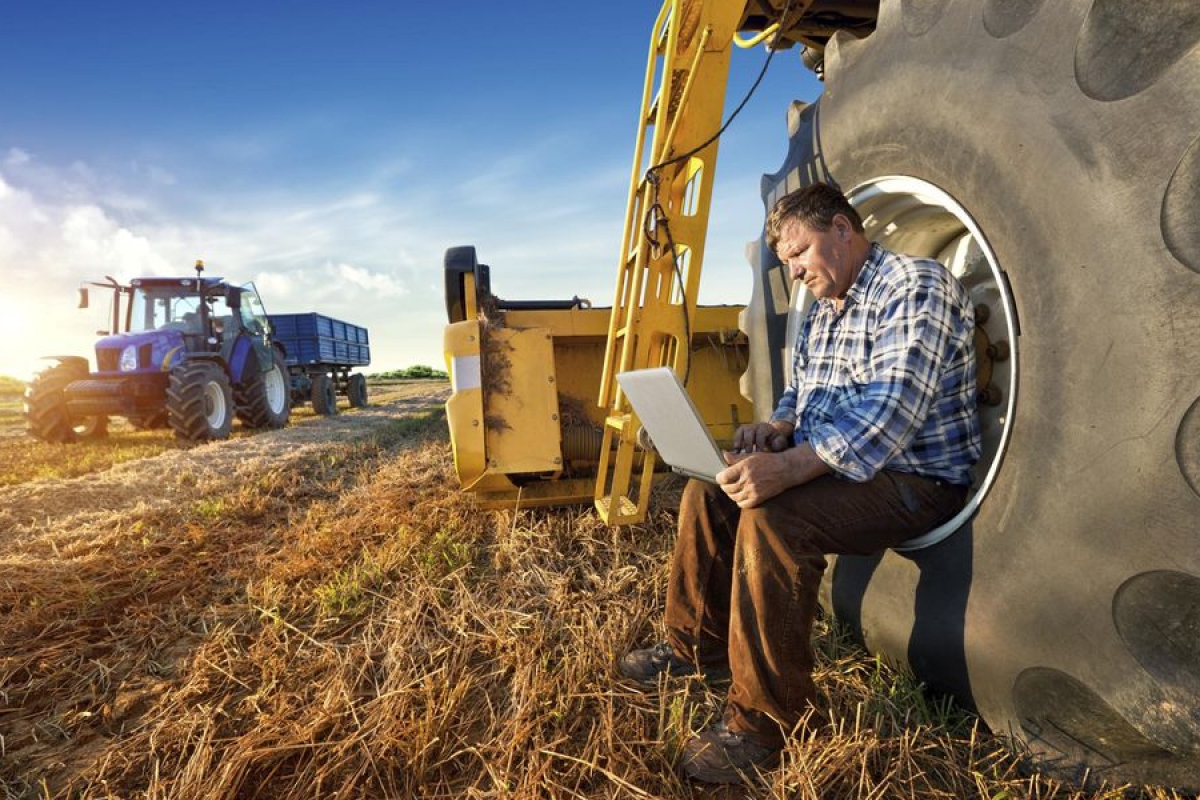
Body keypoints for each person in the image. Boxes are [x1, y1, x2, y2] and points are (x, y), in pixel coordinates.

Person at [618, 182, 982, 784]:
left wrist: (787, 469)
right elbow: (803, 389)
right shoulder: (824, 305)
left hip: (913, 477)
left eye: (800, 253)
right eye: (785, 261)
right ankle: (692, 652)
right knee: (708, 493)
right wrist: (779, 428)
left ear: (843, 228)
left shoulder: (915, 286)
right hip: (842, 468)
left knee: (773, 517)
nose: (793, 272)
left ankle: (765, 722)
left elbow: (891, 412)